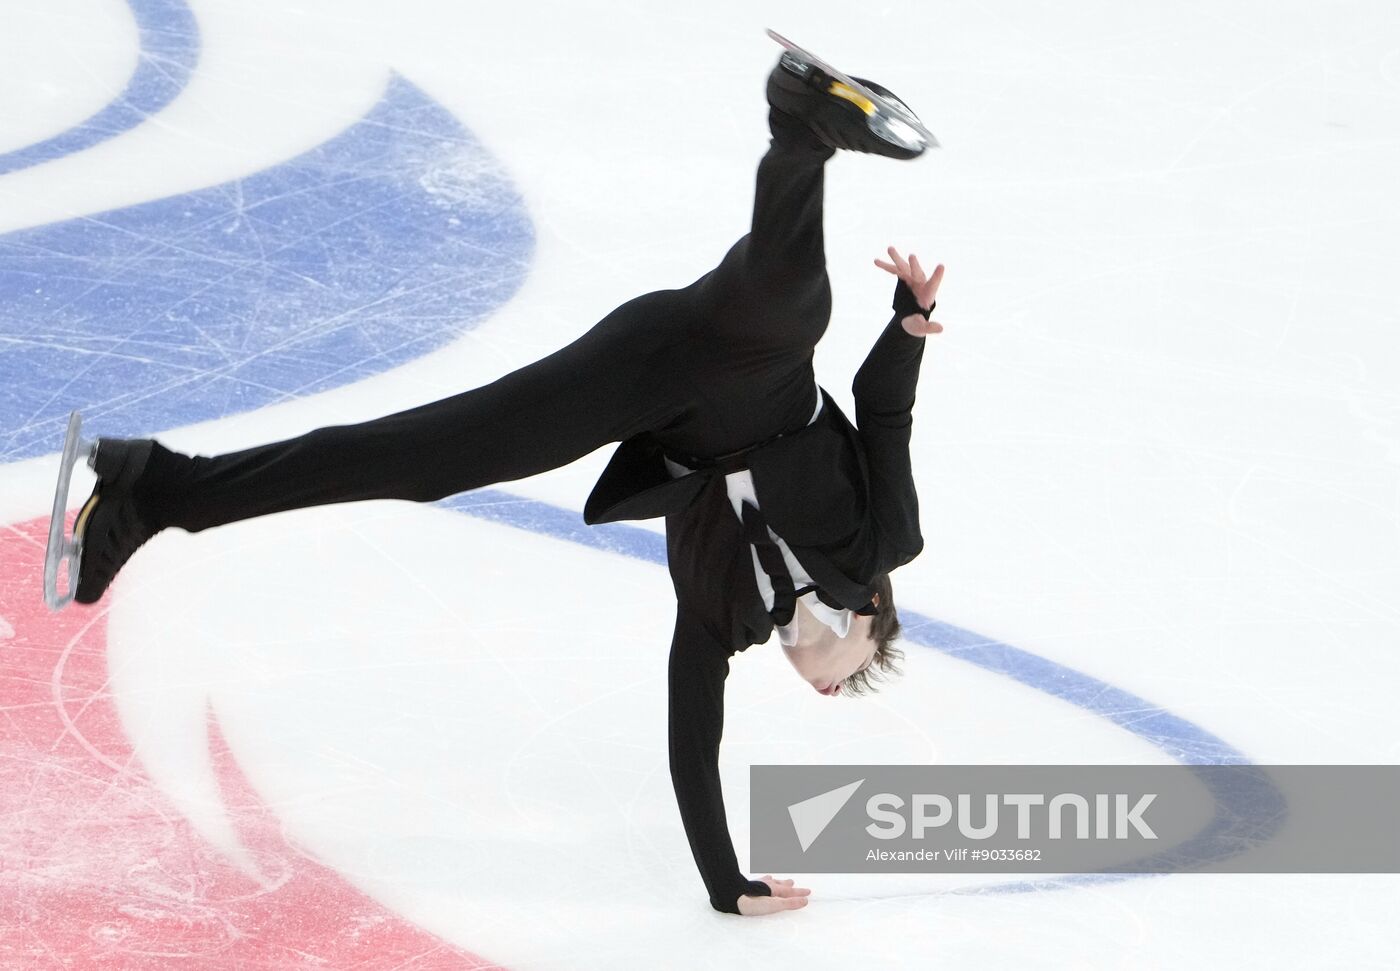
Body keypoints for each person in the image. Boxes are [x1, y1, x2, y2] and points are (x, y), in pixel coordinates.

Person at [59, 51, 946, 915]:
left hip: (639, 387)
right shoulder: (880, 543)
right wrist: (907, 328)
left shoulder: (725, 616)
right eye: (851, 676)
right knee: (783, 303)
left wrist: (727, 882)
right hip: (755, 363)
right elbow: (881, 415)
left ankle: (158, 486)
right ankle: (802, 127)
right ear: (871, 613)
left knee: (424, 457)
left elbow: (692, 745)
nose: (824, 685)